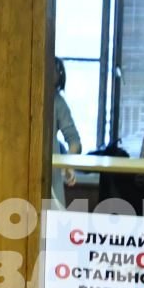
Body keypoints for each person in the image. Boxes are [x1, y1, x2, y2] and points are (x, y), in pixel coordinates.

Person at [50, 56, 81, 204]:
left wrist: (68, 164)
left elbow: (74, 140)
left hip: (51, 171)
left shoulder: (58, 102)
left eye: (56, 71)